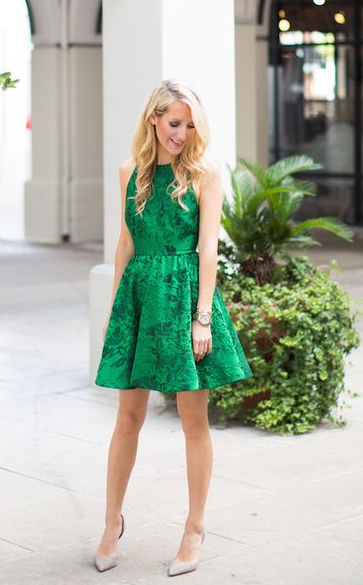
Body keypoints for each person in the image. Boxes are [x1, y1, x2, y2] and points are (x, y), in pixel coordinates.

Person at [93, 78, 253, 576]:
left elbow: (209, 248)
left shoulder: (204, 174)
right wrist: (119, 313)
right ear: (154, 121)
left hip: (185, 296)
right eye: (173, 123)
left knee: (192, 421)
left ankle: (194, 528)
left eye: (189, 124)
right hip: (140, 299)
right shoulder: (130, 171)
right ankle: (110, 521)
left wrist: (202, 316)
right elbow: (125, 244)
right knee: (127, 420)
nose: (181, 134)